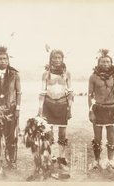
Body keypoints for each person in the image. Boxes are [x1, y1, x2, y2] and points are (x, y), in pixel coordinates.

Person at [38, 49, 73, 177]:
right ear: (50, 59)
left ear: (63, 59)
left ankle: (61, 157)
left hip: (63, 105)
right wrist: (40, 110)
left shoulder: (67, 74)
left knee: (62, 133)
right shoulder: (45, 74)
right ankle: (51, 156)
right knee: (49, 133)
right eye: (55, 58)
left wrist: (69, 108)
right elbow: (42, 93)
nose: (57, 60)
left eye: (59, 58)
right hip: (48, 105)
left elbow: (70, 92)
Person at [0, 46, 21, 170]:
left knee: (11, 136)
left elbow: (18, 93)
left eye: (4, 59)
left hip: (10, 109)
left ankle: (11, 160)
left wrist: (17, 109)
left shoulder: (14, 74)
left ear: (8, 60)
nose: (2, 61)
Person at [88, 49, 114, 169]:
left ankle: (110, 160)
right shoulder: (93, 77)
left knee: (111, 136)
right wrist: (91, 111)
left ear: (111, 63)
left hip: (111, 109)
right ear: (98, 63)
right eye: (103, 62)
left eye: (107, 62)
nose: (105, 64)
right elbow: (90, 95)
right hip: (98, 108)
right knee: (97, 137)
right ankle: (96, 160)